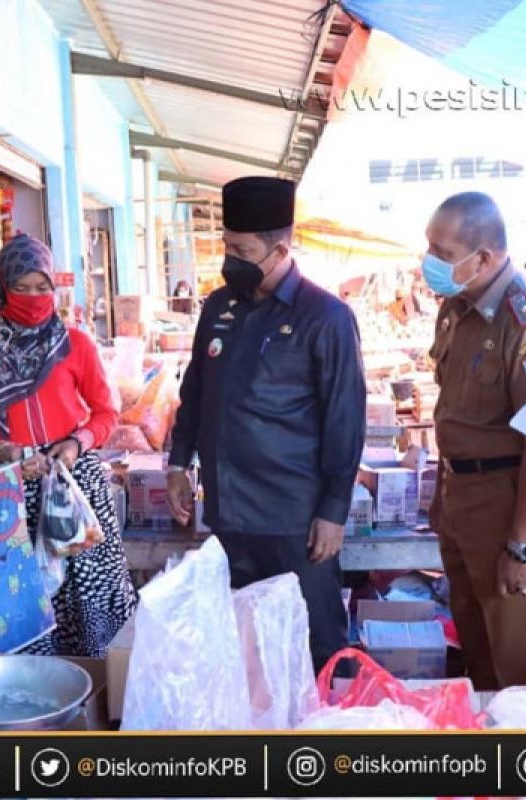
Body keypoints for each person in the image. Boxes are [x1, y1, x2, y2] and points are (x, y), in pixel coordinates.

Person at [165, 176, 365, 672]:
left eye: (241, 248)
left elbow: (345, 419)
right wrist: (177, 462)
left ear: (279, 249)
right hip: (229, 516)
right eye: (226, 245)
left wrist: (333, 511)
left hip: (293, 520)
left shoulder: (326, 317)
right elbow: (195, 394)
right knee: (241, 648)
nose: (228, 257)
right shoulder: (218, 307)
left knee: (314, 645)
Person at [0, 233, 137, 658]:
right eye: (22, 288)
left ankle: (102, 684)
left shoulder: (76, 343)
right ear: (3, 288)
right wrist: (8, 454)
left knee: (89, 590)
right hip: (12, 489)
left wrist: (78, 443)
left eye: (42, 288)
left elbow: (105, 412)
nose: (34, 297)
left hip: (75, 486)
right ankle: (42, 691)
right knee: (29, 597)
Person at [423, 192, 526, 690]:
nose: (430, 263)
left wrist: (523, 545)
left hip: (511, 498)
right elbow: (454, 411)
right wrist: (443, 496)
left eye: (442, 253)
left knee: (521, 662)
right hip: (463, 497)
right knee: (480, 655)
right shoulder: (456, 308)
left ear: (483, 257)